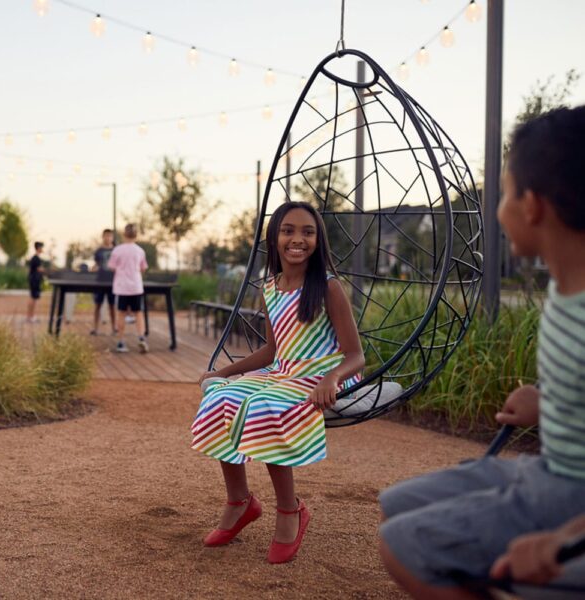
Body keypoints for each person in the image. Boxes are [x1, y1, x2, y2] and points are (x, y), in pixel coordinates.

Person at [378, 105, 585, 598]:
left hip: (570, 497)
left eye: (505, 193)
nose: (498, 209)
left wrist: (565, 538)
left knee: (402, 545)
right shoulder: (564, 287)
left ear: (532, 206)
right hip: (548, 471)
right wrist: (550, 405)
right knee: (396, 503)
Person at [191, 201, 364, 564]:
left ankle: (291, 510)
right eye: (288, 230)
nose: (297, 239)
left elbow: (356, 356)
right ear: (274, 238)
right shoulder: (270, 287)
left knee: (265, 406)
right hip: (284, 370)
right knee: (219, 398)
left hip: (325, 373)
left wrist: (331, 378)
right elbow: (273, 350)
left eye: (307, 232)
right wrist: (223, 373)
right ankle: (240, 502)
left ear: (318, 240)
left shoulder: (329, 288)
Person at [107, 224, 148, 353]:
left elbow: (112, 267)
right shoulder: (140, 251)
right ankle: (141, 338)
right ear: (136, 235)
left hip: (121, 287)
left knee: (121, 313)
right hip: (136, 286)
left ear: (124, 235)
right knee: (138, 313)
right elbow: (143, 268)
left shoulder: (117, 250)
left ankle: (121, 342)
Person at [91, 228, 116, 336]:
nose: (108, 238)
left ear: (112, 237)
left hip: (112, 282)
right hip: (100, 282)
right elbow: (96, 264)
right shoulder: (98, 251)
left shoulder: (116, 250)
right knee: (98, 305)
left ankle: (114, 328)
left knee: (112, 306)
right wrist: (94, 268)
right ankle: (95, 328)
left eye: (110, 236)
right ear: (103, 237)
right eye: (106, 236)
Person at [26, 241, 46, 324]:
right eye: (41, 247)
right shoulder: (36, 258)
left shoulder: (35, 258)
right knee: (33, 298)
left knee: (33, 298)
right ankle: (30, 317)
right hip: (34, 280)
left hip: (33, 280)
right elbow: (39, 269)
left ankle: (30, 316)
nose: (42, 249)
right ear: (38, 248)